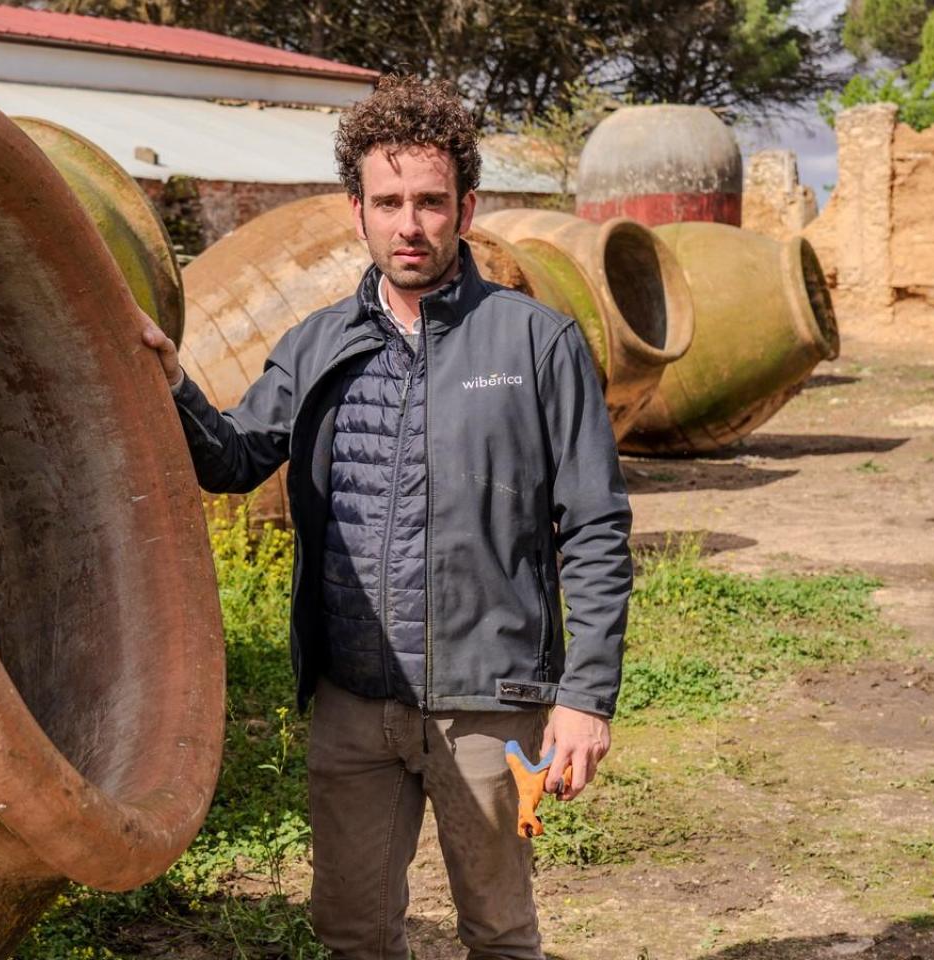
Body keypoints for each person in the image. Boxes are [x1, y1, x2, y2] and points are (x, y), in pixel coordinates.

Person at [140, 76, 632, 960]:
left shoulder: (535, 345)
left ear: (467, 208)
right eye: (389, 201)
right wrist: (173, 382)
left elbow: (595, 529)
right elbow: (234, 460)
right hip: (355, 706)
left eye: (431, 202)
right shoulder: (319, 342)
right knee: (353, 932)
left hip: (491, 706)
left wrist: (584, 700)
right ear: (357, 212)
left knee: (499, 932)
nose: (411, 223)